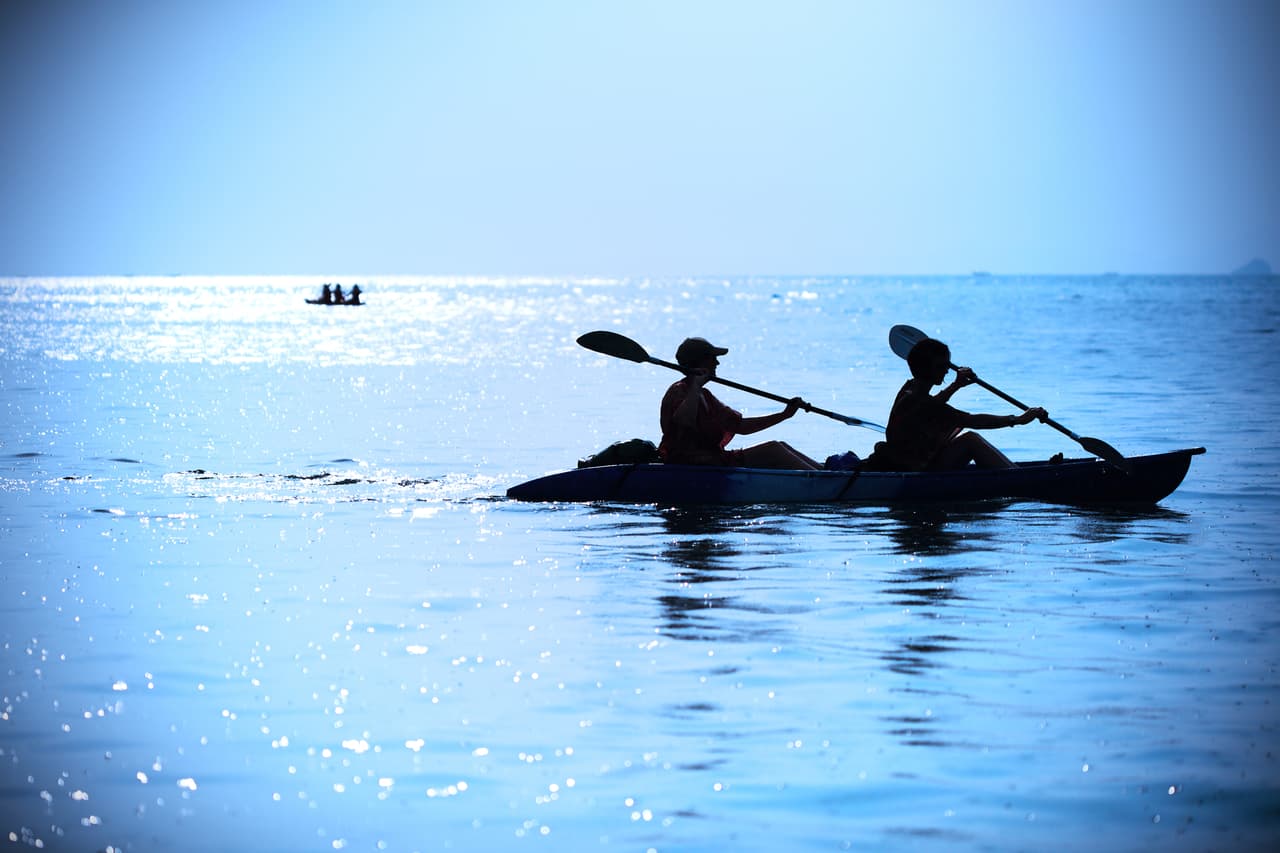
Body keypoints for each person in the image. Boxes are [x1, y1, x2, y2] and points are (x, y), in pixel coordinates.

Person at [865, 336, 1047, 471]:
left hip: (911, 462)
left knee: (970, 440)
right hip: (913, 469)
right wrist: (1018, 419)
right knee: (971, 440)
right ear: (927, 369)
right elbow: (974, 421)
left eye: (947, 365)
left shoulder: (909, 390)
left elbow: (930, 407)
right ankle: (1017, 476)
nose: (946, 370)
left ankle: (1014, 471)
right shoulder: (923, 403)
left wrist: (956, 385)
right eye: (941, 366)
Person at [658, 337, 823, 469]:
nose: (717, 363)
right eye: (713, 358)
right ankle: (825, 483)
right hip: (691, 463)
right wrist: (695, 385)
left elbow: (740, 426)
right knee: (773, 449)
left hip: (712, 459)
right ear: (700, 362)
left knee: (780, 445)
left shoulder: (705, 395)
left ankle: (826, 473)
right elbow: (683, 420)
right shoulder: (679, 391)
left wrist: (784, 415)